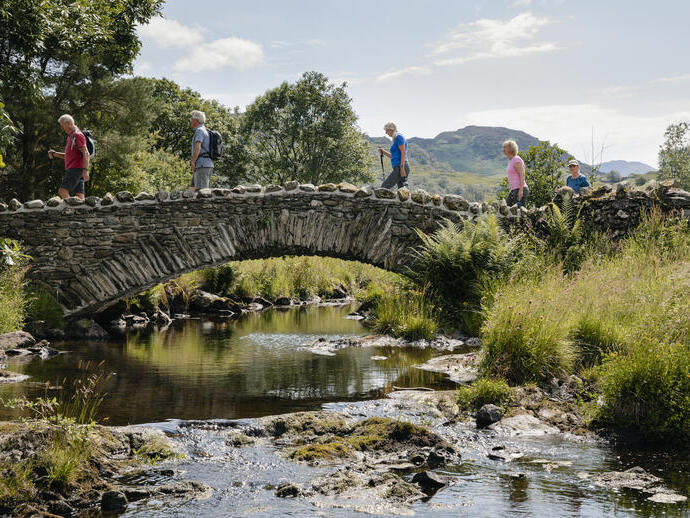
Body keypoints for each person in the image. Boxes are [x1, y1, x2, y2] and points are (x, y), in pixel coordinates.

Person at [48, 114, 90, 199]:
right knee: (79, 196)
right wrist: (54, 154)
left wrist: (85, 170)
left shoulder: (77, 135)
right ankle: (80, 212)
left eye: (62, 126)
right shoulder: (71, 136)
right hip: (77, 169)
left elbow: (85, 153)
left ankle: (70, 210)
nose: (62, 128)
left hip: (75, 169)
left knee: (62, 191)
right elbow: (69, 156)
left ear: (69, 123)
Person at [378, 122, 410, 189]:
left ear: (390, 129)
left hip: (401, 167)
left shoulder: (399, 137)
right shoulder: (396, 139)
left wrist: (402, 168)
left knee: (384, 187)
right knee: (402, 191)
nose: (386, 133)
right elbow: (393, 156)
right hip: (398, 167)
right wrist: (383, 152)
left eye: (386, 130)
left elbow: (403, 153)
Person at [189, 110, 213, 191]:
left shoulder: (199, 131)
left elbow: (198, 148)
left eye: (191, 118)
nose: (190, 120)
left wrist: (192, 162)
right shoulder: (205, 130)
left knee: (201, 192)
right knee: (193, 189)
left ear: (196, 120)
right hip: (205, 164)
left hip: (201, 165)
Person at [503, 140, 528, 206]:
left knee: (518, 212)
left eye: (505, 147)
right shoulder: (511, 160)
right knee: (507, 208)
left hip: (519, 189)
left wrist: (521, 190)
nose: (503, 149)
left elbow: (522, 175)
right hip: (514, 189)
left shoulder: (516, 159)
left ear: (510, 149)